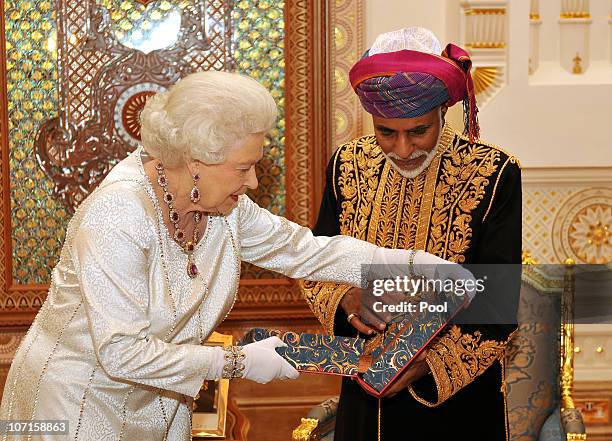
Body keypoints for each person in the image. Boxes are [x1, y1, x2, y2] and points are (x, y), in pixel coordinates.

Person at [0, 70, 470, 440]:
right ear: (195, 163)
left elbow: (304, 251)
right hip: (76, 405)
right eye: (243, 169)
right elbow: (122, 354)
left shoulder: (224, 208)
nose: (251, 184)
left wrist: (413, 265)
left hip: (161, 402)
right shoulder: (118, 217)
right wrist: (237, 364)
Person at [301, 27, 522, 440]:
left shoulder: (494, 173)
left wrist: (425, 363)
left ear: (443, 112)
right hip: (365, 386)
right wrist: (347, 299)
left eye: (418, 131)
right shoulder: (347, 165)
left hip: (455, 403)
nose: (403, 149)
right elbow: (315, 263)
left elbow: (498, 303)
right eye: (387, 132)